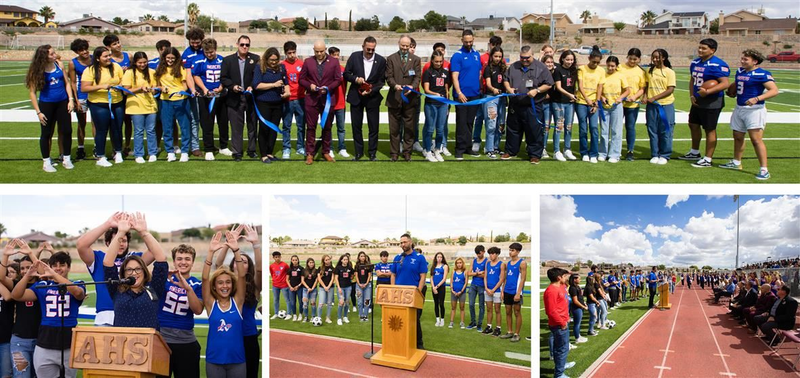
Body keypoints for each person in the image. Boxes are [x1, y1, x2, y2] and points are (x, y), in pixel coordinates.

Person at [11, 241, 85, 378]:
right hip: (45, 343)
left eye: (62, 265)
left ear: (69, 267)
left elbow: (78, 293)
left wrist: (53, 273)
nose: (58, 268)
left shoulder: (77, 284)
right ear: (50, 267)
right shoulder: (43, 285)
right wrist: (28, 275)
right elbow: (17, 295)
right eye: (54, 265)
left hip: (69, 343)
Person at [75, 213, 154, 326]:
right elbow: (81, 245)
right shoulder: (99, 258)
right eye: (118, 240)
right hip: (105, 317)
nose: (121, 244)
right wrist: (107, 224)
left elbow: (153, 252)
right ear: (107, 243)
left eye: (124, 241)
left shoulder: (134, 259)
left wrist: (143, 231)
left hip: (131, 316)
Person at [721, 49, 778, 180]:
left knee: (756, 140)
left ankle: (764, 169)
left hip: (755, 110)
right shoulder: (740, 71)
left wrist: (757, 98)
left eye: (746, 59)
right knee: (737, 136)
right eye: (742, 58)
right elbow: (737, 83)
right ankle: (736, 162)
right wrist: (731, 91)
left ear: (755, 61)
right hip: (739, 107)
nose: (742, 61)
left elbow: (774, 90)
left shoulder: (762, 74)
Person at [104, 213, 168, 328]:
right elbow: (108, 263)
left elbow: (161, 259)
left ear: (144, 271)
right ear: (123, 273)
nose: (134, 273)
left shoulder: (153, 288)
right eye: (129, 270)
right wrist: (120, 232)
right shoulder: (117, 290)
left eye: (138, 269)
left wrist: (144, 232)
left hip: (149, 343)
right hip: (122, 343)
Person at [216, 224, 261, 378]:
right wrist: (228, 245)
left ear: (249, 266)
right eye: (236, 260)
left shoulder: (254, 286)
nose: (239, 263)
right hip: (228, 336)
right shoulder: (225, 285)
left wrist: (256, 244)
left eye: (244, 261)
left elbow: (260, 269)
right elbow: (217, 265)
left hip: (248, 337)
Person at [203, 231, 247, 377]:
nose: (224, 286)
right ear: (214, 286)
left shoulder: (237, 302)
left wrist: (236, 250)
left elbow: (241, 275)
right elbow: (204, 279)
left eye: (228, 282)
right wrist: (210, 252)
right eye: (220, 283)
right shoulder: (211, 304)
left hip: (237, 361)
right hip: (214, 361)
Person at [26, 44, 74, 172]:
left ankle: (66, 158)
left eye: (54, 53)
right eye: (51, 54)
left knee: (67, 130)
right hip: (46, 104)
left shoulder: (59, 64)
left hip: (62, 102)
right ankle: (46, 162)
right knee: (46, 133)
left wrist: (70, 99)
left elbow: (67, 83)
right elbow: (32, 92)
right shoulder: (36, 71)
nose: (55, 55)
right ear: (44, 57)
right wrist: (39, 112)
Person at [683, 39, 731, 168]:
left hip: (712, 101)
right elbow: (692, 79)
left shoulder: (718, 64)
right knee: (693, 124)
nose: (700, 50)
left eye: (704, 48)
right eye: (699, 48)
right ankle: (694, 152)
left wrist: (708, 91)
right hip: (698, 99)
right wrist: (692, 95)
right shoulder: (695, 62)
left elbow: (725, 83)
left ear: (712, 50)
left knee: (709, 129)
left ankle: (708, 159)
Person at [502, 45, 553, 163]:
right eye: (522, 57)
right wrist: (509, 89)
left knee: (534, 130)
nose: (524, 60)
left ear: (533, 55)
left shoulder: (541, 68)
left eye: (527, 58)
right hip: (515, 105)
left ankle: (534, 154)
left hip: (533, 106)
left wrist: (537, 90)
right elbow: (506, 79)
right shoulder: (514, 67)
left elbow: (549, 84)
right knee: (513, 129)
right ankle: (510, 151)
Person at [159, 244, 204, 378]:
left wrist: (188, 289)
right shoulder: (163, 280)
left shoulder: (197, 285)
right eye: (179, 258)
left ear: (193, 262)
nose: (183, 262)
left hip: (185, 341)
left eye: (187, 259)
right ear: (174, 261)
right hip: (162, 340)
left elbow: (198, 310)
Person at [1, 241, 43, 378]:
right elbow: (1, 277)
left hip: (41, 341)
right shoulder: (16, 285)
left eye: (29, 267)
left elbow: (44, 272)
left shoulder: (42, 285)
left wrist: (31, 253)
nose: (26, 271)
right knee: (21, 376)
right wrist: (5, 255)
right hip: (19, 341)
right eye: (23, 269)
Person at [299, 41, 342, 165]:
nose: (319, 54)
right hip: (311, 100)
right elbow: (301, 79)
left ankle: (326, 151)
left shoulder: (334, 62)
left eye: (321, 51)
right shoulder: (308, 62)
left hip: (328, 100)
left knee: (327, 127)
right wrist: (310, 85)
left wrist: (328, 88)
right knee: (311, 127)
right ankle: (310, 153)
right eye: (316, 51)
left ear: (326, 49)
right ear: (313, 50)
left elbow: (338, 79)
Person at [344, 36, 386, 161]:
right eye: (368, 49)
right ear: (363, 47)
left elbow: (381, 81)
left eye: (373, 49)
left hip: (372, 98)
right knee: (356, 126)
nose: (370, 52)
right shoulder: (354, 56)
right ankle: (358, 152)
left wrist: (371, 90)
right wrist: (355, 79)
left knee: (374, 127)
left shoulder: (381, 60)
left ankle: (372, 153)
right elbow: (346, 74)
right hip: (356, 96)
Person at [220, 35, 259, 162]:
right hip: (234, 97)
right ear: (237, 44)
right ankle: (237, 152)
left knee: (252, 125)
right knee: (236, 127)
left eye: (247, 45)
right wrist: (232, 86)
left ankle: (252, 150)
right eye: (242, 44)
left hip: (251, 97)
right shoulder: (228, 60)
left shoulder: (255, 59)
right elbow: (224, 77)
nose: (244, 47)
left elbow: (258, 76)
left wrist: (252, 86)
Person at [192, 38, 231, 161]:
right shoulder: (199, 60)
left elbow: (225, 76)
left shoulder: (222, 60)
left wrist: (221, 87)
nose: (209, 54)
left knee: (223, 122)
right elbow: (196, 75)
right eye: (207, 52)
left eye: (212, 52)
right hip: (206, 97)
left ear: (216, 49)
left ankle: (224, 146)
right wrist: (204, 89)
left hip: (221, 96)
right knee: (207, 123)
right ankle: (209, 148)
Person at [385, 35, 422, 162]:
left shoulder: (416, 59)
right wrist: (395, 86)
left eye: (407, 46)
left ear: (410, 45)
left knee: (409, 128)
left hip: (410, 99)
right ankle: (394, 153)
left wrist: (412, 86)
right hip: (394, 98)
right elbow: (388, 76)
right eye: (403, 45)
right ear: (399, 44)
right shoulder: (391, 59)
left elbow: (417, 77)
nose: (405, 48)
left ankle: (407, 152)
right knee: (394, 129)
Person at [155, 47, 195, 162]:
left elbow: (185, 85)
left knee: (184, 127)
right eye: (168, 58)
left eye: (173, 58)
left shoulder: (181, 68)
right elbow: (158, 85)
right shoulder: (160, 69)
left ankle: (184, 152)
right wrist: (162, 88)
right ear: (164, 57)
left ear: (177, 58)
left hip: (181, 100)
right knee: (167, 128)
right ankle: (170, 152)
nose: (170, 60)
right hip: (165, 101)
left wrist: (179, 91)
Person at [252, 47, 290, 164]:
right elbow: (256, 85)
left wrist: (287, 92)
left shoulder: (281, 68)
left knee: (274, 129)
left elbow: (286, 82)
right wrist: (273, 85)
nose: (274, 62)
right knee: (264, 128)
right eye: (271, 60)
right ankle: (263, 154)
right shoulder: (260, 67)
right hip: (263, 102)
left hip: (277, 103)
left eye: (276, 60)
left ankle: (270, 152)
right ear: (266, 58)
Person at [391, 234, 428, 349]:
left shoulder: (419, 257)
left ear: (411, 242)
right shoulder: (397, 258)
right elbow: (393, 274)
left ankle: (418, 344)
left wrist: (418, 292)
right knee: (400, 319)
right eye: (401, 243)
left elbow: (423, 276)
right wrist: (393, 290)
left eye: (405, 242)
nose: (403, 244)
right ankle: (402, 342)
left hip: (413, 293)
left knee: (414, 320)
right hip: (399, 294)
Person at [121, 51, 158, 163]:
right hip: (135, 106)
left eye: (145, 62)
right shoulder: (129, 72)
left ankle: (152, 152)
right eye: (140, 63)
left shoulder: (152, 72)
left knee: (151, 130)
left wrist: (152, 90)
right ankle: (139, 154)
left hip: (150, 105)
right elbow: (126, 91)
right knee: (138, 131)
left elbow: (155, 88)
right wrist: (140, 89)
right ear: (135, 62)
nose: (143, 65)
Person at [451, 30, 483, 160]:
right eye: (466, 42)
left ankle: (468, 147)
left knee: (470, 122)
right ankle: (459, 149)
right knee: (462, 122)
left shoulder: (476, 54)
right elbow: (454, 76)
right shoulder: (457, 56)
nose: (468, 43)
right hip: (462, 95)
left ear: (473, 39)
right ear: (462, 40)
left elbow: (479, 73)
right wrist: (459, 92)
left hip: (475, 95)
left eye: (470, 41)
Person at [103, 34, 134, 156]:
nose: (118, 45)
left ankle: (127, 145)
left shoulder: (128, 56)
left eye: (118, 42)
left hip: (128, 93)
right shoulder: (108, 60)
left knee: (128, 121)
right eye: (114, 44)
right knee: (115, 123)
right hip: (115, 95)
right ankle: (116, 148)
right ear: (108, 47)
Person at [643, 49, 676, 165]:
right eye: (654, 57)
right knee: (652, 129)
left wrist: (655, 98)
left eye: (658, 57)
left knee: (665, 130)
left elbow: (670, 89)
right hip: (651, 106)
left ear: (664, 58)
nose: (655, 59)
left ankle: (665, 154)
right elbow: (646, 86)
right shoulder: (649, 71)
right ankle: (655, 154)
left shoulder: (669, 72)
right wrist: (645, 96)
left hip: (665, 105)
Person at [472, 35, 503, 154]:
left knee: (497, 120)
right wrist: (480, 88)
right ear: (490, 45)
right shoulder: (482, 58)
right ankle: (477, 140)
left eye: (498, 46)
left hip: (498, 95)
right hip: (484, 92)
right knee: (480, 117)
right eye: (494, 45)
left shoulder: (502, 60)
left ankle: (494, 145)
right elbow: (479, 75)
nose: (495, 48)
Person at [598, 56, 630, 163]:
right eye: (609, 65)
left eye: (613, 66)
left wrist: (620, 98)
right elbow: (599, 90)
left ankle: (614, 154)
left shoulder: (620, 76)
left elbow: (627, 90)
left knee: (616, 131)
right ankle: (603, 153)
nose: (610, 68)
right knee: (604, 131)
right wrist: (602, 97)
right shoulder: (602, 75)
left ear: (616, 66)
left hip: (616, 107)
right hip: (604, 107)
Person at [575, 46, 604, 163]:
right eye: (593, 62)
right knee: (583, 128)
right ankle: (584, 152)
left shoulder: (601, 71)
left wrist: (596, 103)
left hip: (593, 103)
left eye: (598, 62)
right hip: (582, 102)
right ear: (589, 58)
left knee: (594, 128)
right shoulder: (581, 69)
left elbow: (600, 87)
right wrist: (587, 99)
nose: (595, 64)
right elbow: (580, 85)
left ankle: (593, 153)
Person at [617, 48, 646, 161]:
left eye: (635, 59)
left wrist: (634, 96)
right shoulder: (620, 68)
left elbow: (642, 88)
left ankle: (630, 151)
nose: (632, 61)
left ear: (639, 59)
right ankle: (616, 150)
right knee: (616, 128)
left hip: (632, 105)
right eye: (630, 58)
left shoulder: (641, 72)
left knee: (630, 127)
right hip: (619, 103)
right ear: (627, 57)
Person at [544, 267, 573, 378]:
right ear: (558, 277)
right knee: (561, 349)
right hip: (559, 324)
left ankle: (562, 365)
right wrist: (562, 322)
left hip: (564, 321)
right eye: (564, 276)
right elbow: (551, 311)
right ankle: (559, 374)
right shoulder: (551, 291)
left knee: (562, 348)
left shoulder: (561, 286)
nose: (566, 278)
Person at [422, 50, 450, 162]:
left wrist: (447, 103)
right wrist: (436, 94)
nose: (438, 63)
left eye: (440, 61)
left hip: (442, 105)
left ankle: (437, 150)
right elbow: (427, 90)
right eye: (436, 61)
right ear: (432, 61)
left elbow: (447, 89)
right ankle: (428, 151)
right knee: (429, 129)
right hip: (431, 104)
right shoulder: (428, 73)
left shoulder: (445, 73)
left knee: (440, 129)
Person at [68, 38, 93, 161]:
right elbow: (72, 82)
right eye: (81, 50)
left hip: (95, 95)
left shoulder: (94, 59)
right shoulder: (73, 63)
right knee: (81, 123)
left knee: (96, 123)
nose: (84, 52)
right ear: (76, 52)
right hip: (81, 95)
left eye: (85, 48)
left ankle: (96, 147)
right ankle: (81, 147)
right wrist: (75, 99)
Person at [181, 28, 204, 157]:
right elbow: (188, 74)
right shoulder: (186, 54)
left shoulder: (205, 50)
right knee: (194, 119)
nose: (195, 45)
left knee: (205, 119)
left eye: (197, 42)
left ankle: (208, 143)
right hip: (193, 91)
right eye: (192, 42)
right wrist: (192, 89)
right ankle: (194, 146)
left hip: (207, 90)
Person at [280, 41, 306, 158]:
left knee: (301, 125)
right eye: (289, 53)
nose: (292, 55)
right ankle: (286, 148)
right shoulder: (281, 65)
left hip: (301, 99)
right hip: (288, 100)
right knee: (287, 125)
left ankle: (300, 146)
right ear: (285, 53)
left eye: (294, 52)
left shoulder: (302, 64)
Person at [482, 47, 508, 160]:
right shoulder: (488, 68)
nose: (498, 58)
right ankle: (489, 148)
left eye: (500, 56)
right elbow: (488, 83)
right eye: (496, 56)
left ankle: (496, 146)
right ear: (491, 56)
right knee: (491, 124)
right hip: (491, 98)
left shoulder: (504, 68)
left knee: (500, 124)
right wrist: (493, 89)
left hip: (502, 99)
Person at [553, 50, 578, 161]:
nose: (569, 62)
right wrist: (570, 95)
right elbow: (558, 87)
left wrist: (575, 95)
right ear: (562, 59)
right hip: (559, 102)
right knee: (559, 126)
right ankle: (556, 151)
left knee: (569, 126)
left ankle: (567, 149)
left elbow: (575, 85)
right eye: (567, 59)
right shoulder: (558, 70)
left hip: (570, 103)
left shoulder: (574, 70)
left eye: (571, 60)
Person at [326, 47, 350, 159]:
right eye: (334, 55)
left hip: (340, 103)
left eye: (338, 54)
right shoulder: (326, 69)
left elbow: (345, 84)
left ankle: (342, 148)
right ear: (329, 56)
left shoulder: (342, 69)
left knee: (341, 128)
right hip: (329, 103)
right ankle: (329, 148)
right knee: (328, 127)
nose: (336, 57)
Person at [500, 243, 527, 342]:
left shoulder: (522, 263)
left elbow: (523, 279)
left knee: (517, 312)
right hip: (507, 290)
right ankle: (509, 331)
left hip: (516, 292)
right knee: (508, 312)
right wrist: (502, 291)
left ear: (518, 251)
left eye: (513, 250)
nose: (510, 252)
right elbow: (505, 279)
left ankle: (517, 334)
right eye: (510, 250)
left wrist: (518, 293)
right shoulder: (507, 264)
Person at [482, 247, 505, 336]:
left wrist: (493, 289)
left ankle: (498, 328)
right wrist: (487, 288)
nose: (491, 255)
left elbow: (502, 279)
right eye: (490, 254)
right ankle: (489, 326)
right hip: (488, 290)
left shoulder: (501, 264)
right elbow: (485, 277)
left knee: (497, 309)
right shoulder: (487, 263)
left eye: (493, 253)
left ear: (497, 254)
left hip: (497, 290)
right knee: (489, 309)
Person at [466, 245, 487, 331]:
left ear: (483, 251)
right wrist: (478, 273)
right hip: (473, 285)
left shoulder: (487, 261)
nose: (478, 255)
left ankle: (479, 324)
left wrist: (476, 273)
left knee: (481, 306)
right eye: (477, 253)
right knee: (471, 304)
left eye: (480, 253)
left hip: (482, 286)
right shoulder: (473, 261)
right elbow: (468, 273)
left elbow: (486, 275)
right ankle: (473, 322)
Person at [540, 54, 556, 159]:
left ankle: (543, 147)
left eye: (551, 62)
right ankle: (533, 145)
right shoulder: (539, 74)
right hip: (540, 103)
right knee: (536, 126)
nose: (549, 64)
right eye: (547, 62)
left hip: (550, 104)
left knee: (546, 127)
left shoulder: (556, 74)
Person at [429, 252, 449, 327]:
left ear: (442, 258)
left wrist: (436, 287)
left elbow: (444, 279)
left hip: (441, 287)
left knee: (441, 304)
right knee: (436, 304)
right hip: (434, 288)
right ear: (436, 258)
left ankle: (442, 319)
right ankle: (437, 320)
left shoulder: (445, 266)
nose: (439, 258)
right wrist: (433, 287)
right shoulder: (433, 266)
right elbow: (431, 277)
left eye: (441, 257)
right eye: (438, 257)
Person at [334, 254, 354, 325]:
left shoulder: (350, 268)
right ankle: (339, 318)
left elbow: (352, 275)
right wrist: (338, 287)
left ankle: (345, 316)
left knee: (347, 302)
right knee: (341, 302)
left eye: (347, 259)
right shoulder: (338, 268)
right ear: (341, 260)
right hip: (341, 287)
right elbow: (336, 278)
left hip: (348, 287)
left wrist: (351, 278)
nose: (346, 261)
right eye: (344, 259)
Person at [269, 251, 289, 319]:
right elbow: (272, 274)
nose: (277, 258)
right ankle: (276, 313)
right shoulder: (271, 266)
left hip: (284, 285)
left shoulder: (285, 265)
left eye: (278, 257)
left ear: (281, 257)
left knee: (287, 299)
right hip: (275, 285)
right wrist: (275, 280)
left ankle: (289, 313)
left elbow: (288, 273)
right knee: (275, 300)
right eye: (276, 257)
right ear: (273, 258)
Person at [317, 254, 335, 323]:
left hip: (330, 288)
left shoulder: (332, 268)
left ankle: (328, 317)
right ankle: (318, 317)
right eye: (326, 260)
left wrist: (328, 287)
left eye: (328, 259)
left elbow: (332, 278)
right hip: (322, 288)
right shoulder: (320, 268)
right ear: (323, 261)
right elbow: (319, 278)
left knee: (329, 303)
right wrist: (324, 287)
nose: (328, 261)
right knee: (321, 303)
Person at [354, 252, 373, 322]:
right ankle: (361, 315)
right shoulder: (357, 265)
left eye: (364, 256)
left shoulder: (368, 265)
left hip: (367, 285)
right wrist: (359, 283)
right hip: (359, 285)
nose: (363, 257)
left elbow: (369, 275)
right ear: (359, 257)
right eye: (361, 256)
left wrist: (366, 283)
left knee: (367, 300)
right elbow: (356, 275)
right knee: (359, 301)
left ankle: (366, 315)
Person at [300, 258, 318, 322]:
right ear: (307, 263)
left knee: (313, 303)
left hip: (314, 289)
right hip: (305, 289)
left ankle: (313, 316)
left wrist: (312, 288)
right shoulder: (304, 270)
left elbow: (317, 280)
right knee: (305, 304)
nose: (311, 264)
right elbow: (302, 280)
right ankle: (306, 317)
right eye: (310, 262)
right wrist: (308, 288)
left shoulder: (316, 270)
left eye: (312, 262)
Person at [286, 255, 303, 321]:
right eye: (293, 260)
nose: (295, 261)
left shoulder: (301, 268)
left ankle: (300, 314)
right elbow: (287, 279)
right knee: (292, 302)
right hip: (291, 289)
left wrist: (298, 286)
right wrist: (290, 287)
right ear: (291, 261)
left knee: (300, 302)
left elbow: (302, 280)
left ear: (298, 260)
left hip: (299, 288)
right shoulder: (289, 269)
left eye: (296, 260)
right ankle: (294, 315)